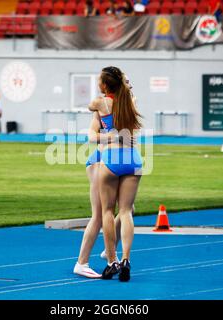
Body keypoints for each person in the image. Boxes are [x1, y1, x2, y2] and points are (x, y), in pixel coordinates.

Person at [74, 75, 136, 278]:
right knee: (99, 215)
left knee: (129, 209)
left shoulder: (124, 107)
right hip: (98, 161)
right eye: (127, 82)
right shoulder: (103, 107)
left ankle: (109, 248)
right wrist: (109, 136)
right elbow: (91, 135)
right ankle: (81, 263)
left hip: (113, 161)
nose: (131, 85)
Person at [89, 66, 142, 282]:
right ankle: (127, 259)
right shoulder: (131, 101)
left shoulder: (100, 102)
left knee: (108, 211)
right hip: (133, 158)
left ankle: (112, 261)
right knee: (127, 211)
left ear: (104, 85)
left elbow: (91, 106)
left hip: (111, 158)